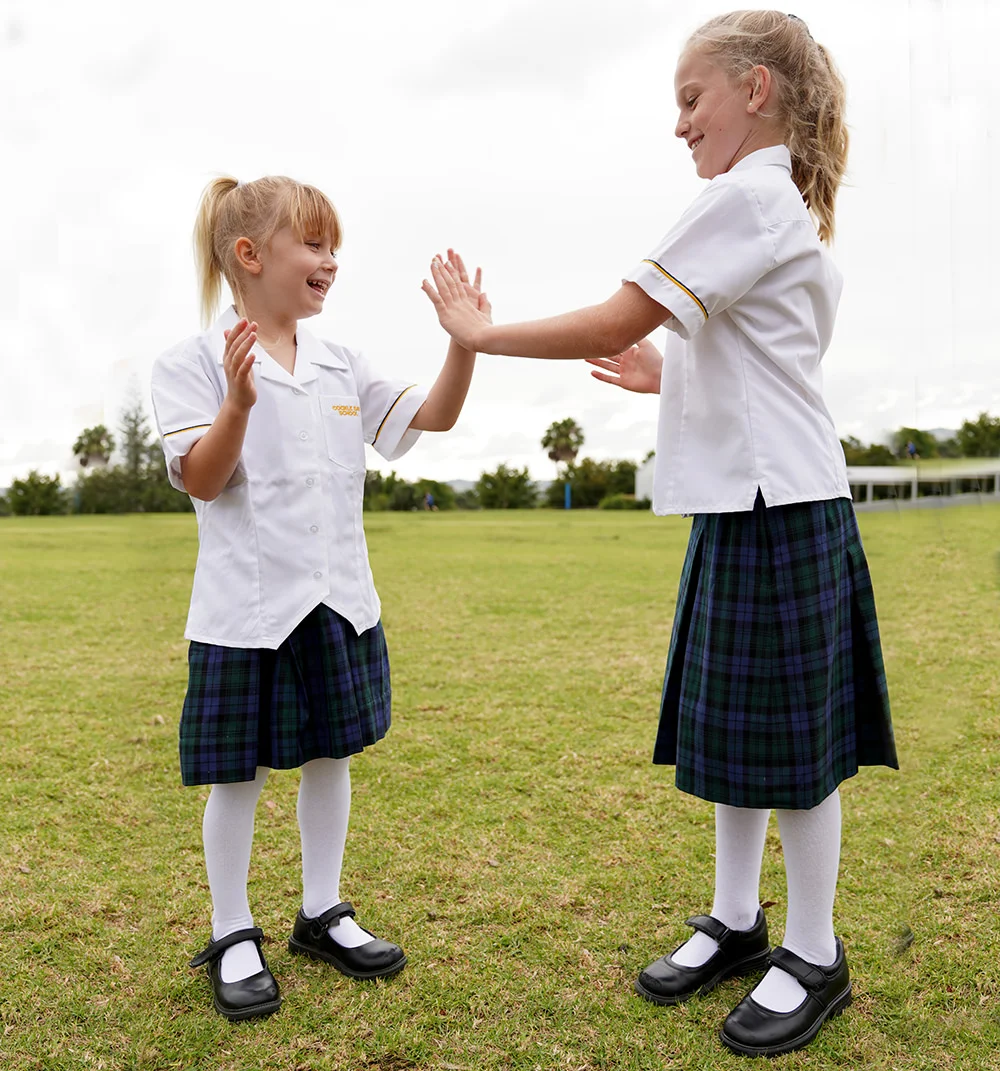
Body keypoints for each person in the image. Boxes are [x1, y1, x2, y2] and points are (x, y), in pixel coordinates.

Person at [422, 10, 896, 1058]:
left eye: (691, 99)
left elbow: (615, 316)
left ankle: (814, 950)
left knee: (794, 750)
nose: (679, 125)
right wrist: (666, 373)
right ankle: (736, 919)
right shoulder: (774, 207)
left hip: (779, 509)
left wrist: (482, 334)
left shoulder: (744, 197)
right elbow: (752, 358)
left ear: (755, 90)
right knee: (741, 738)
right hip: (750, 504)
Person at [151, 174, 486, 1022]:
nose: (330, 260)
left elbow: (432, 418)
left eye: (334, 246)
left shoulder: (343, 362)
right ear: (249, 254)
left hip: (339, 602)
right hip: (246, 612)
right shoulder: (189, 363)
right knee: (238, 778)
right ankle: (233, 930)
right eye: (313, 243)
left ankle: (322, 910)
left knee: (331, 759)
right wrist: (237, 404)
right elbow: (203, 478)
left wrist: (465, 344)